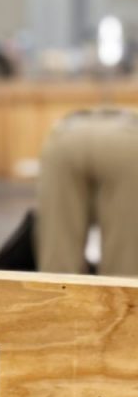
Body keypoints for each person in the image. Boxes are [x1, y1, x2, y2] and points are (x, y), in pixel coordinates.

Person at [36, 109, 138, 276]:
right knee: (125, 266)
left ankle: (57, 298)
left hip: (65, 134)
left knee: (57, 265)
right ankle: (122, 296)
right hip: (130, 142)